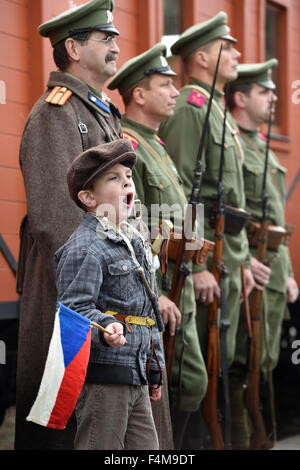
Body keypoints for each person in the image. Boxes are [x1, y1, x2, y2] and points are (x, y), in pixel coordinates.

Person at [15, 0, 123, 450]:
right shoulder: (56, 112)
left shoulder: (102, 111)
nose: (117, 45)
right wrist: (100, 277)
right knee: (64, 418)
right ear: (74, 48)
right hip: (73, 289)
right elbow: (55, 215)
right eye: (106, 38)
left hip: (102, 283)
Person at [159, 12, 255, 448]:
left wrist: (243, 258)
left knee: (226, 361)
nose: (236, 54)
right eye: (226, 48)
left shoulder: (216, 108)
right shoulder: (191, 107)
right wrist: (195, 261)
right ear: (201, 57)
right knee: (197, 373)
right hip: (203, 258)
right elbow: (181, 191)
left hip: (227, 251)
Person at [108, 43, 208, 449]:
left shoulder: (157, 145)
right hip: (162, 290)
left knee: (191, 383)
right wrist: (160, 292)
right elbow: (134, 225)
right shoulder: (130, 146)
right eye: (165, 85)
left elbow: (177, 214)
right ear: (139, 94)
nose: (174, 92)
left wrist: (201, 255)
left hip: (180, 281)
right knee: (182, 383)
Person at [54, 138, 165, 450]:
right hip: (104, 377)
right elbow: (73, 312)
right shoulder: (85, 246)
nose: (127, 182)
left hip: (137, 372)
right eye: (114, 178)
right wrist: (104, 327)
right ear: (89, 197)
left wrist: (154, 368)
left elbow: (148, 313)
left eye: (128, 177)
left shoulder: (134, 241)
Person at [227, 59, 299, 449]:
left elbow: (271, 216)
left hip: (273, 271)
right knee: (245, 368)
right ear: (240, 98)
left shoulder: (258, 143)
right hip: (251, 270)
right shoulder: (234, 143)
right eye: (263, 91)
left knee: (265, 366)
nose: (274, 97)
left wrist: (287, 271)